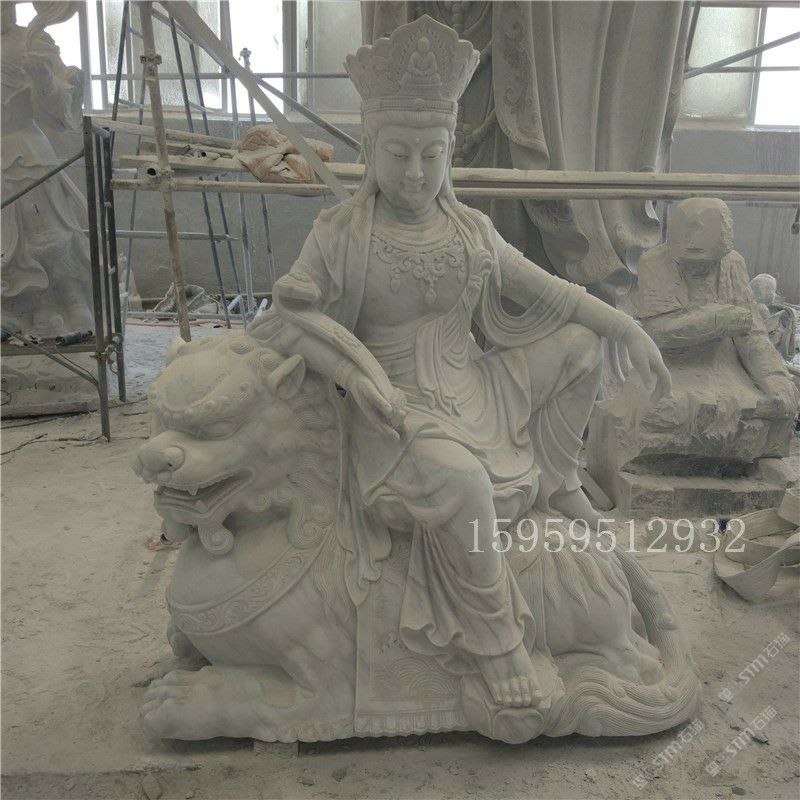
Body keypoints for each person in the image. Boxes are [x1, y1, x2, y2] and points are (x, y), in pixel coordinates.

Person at [250, 16, 670, 711]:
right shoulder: (342, 234)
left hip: (477, 390)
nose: (415, 173)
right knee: (463, 482)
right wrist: (356, 376)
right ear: (371, 151)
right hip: (394, 417)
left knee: (577, 344)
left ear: (450, 152)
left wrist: (625, 326)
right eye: (398, 154)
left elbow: (552, 292)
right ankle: (498, 643)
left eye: (431, 154)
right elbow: (286, 321)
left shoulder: (470, 230)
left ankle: (557, 480)